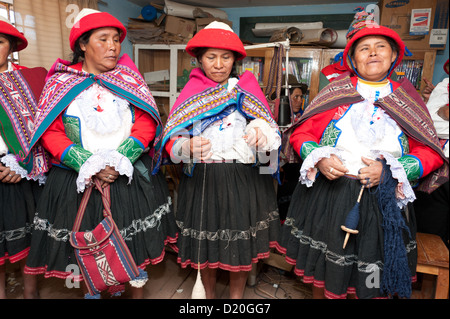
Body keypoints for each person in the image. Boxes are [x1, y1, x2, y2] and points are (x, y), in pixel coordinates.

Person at [277, 24, 447, 299]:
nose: (372, 53)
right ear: (353, 59)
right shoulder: (335, 93)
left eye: (380, 47)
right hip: (330, 196)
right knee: (325, 271)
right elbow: (302, 133)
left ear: (393, 56)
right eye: (364, 49)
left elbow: (430, 152)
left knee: (371, 275)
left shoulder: (408, 100)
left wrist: (390, 170)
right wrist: (319, 159)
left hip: (384, 201)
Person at [23, 9, 177, 299]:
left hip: (126, 176)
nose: (113, 47)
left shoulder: (129, 79)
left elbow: (146, 121)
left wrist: (121, 158)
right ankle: (91, 292)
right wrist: (88, 163)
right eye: (103, 39)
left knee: (132, 247)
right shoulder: (60, 83)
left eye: (116, 40)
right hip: (77, 180)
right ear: (82, 45)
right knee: (85, 247)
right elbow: (50, 131)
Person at [157, 21, 281, 299]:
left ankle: (236, 299)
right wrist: (184, 146)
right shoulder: (191, 93)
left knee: (241, 245)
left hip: (244, 178)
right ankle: (208, 296)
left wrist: (263, 137)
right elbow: (170, 140)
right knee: (206, 245)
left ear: (235, 60)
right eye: (211, 57)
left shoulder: (247, 89)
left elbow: (270, 136)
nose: (218, 64)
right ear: (199, 59)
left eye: (226, 57)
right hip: (204, 179)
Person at [0, 16, 47, 299]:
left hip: (26, 172)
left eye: (0, 41)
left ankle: (31, 294)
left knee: (31, 240)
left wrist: (23, 166)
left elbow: (44, 127)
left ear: (12, 46)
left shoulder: (32, 80)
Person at [414, 59, 449, 247]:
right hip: (437, 171)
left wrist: (440, 111)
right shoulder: (443, 88)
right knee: (428, 237)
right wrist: (433, 104)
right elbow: (429, 125)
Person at [319, 10, 397, 91]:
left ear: (393, 55)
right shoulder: (329, 73)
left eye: (380, 45)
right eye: (364, 47)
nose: (373, 52)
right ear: (349, 41)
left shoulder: (387, 71)